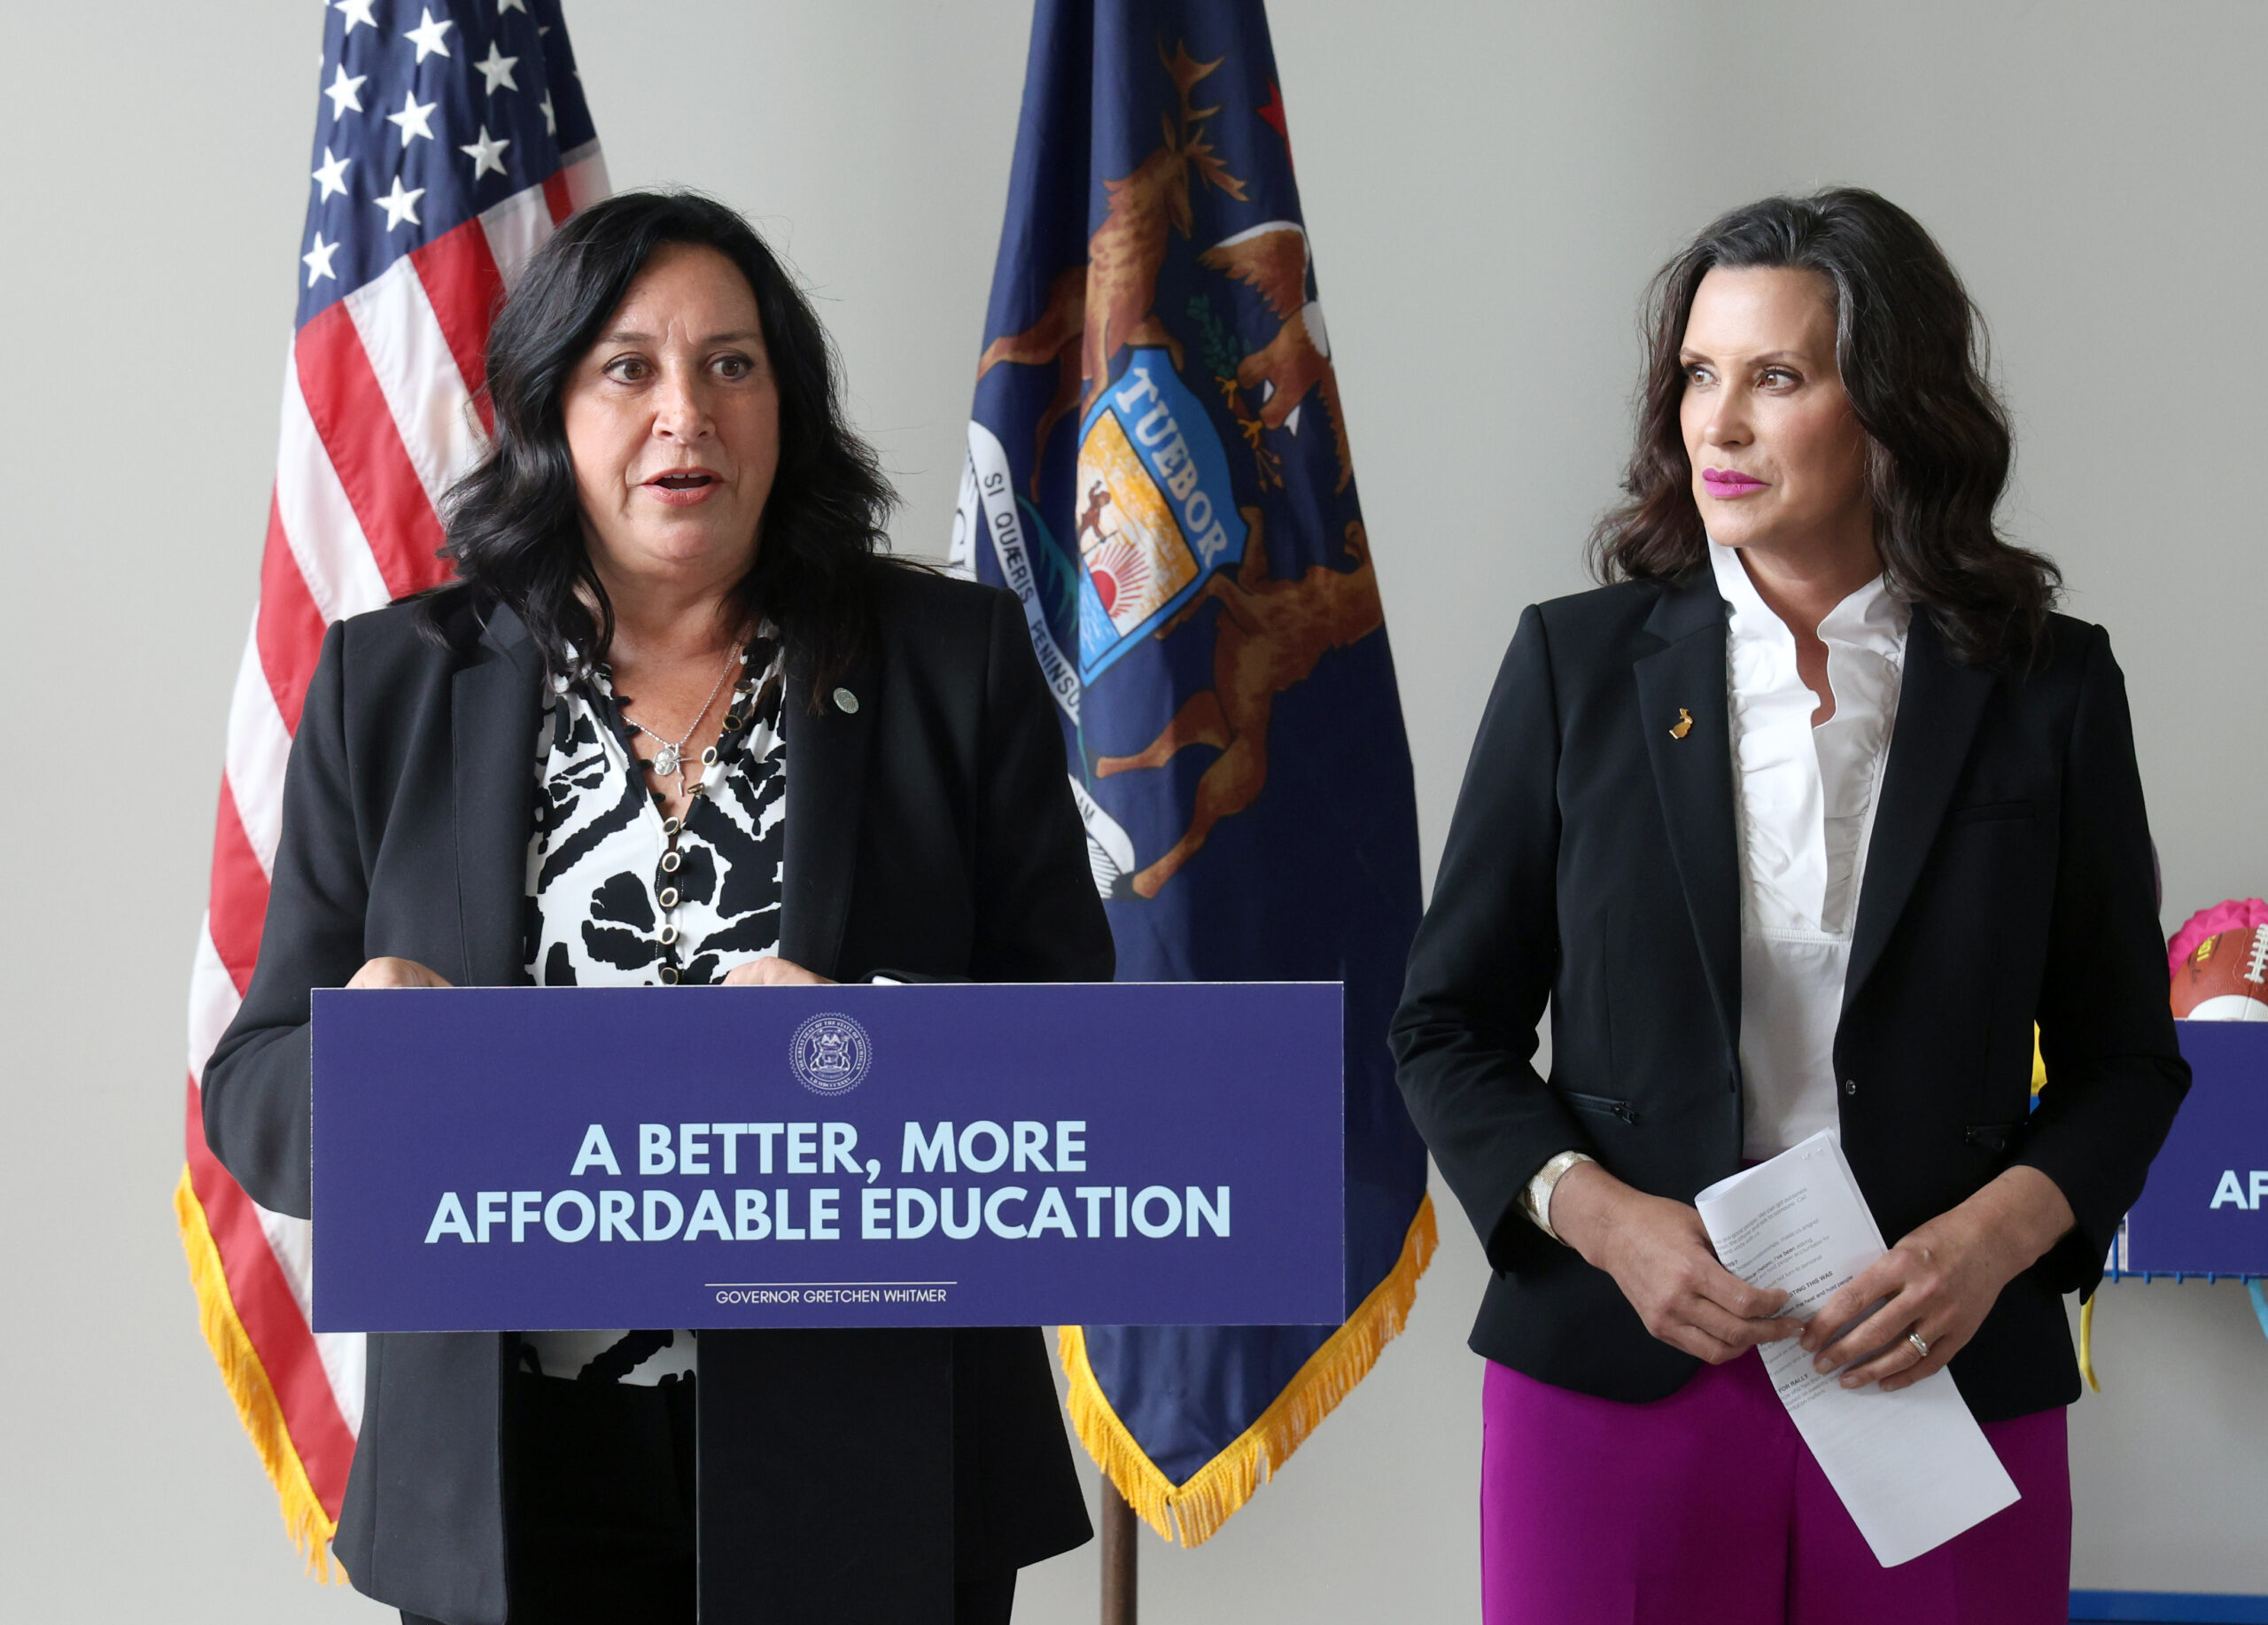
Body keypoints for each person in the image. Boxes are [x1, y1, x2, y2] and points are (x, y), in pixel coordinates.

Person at [199, 190, 1108, 1625]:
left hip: (870, 1449)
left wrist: (882, 1055)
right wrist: (365, 1067)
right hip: (511, 1472)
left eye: (732, 365)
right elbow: (250, 1086)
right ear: (551, 404)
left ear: (786, 407)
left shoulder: (953, 661)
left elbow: (1085, 1049)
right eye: (629, 367)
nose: (686, 411)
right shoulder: (390, 685)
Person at [1391, 188, 2187, 1624]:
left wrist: (1995, 1237)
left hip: (1937, 1375)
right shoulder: (1576, 670)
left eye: (1777, 376)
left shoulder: (2049, 690)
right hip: (1624, 1374)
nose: (1720, 424)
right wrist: (1602, 1216)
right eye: (1699, 375)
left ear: (1891, 407)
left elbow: (2130, 1057)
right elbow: (1446, 1026)